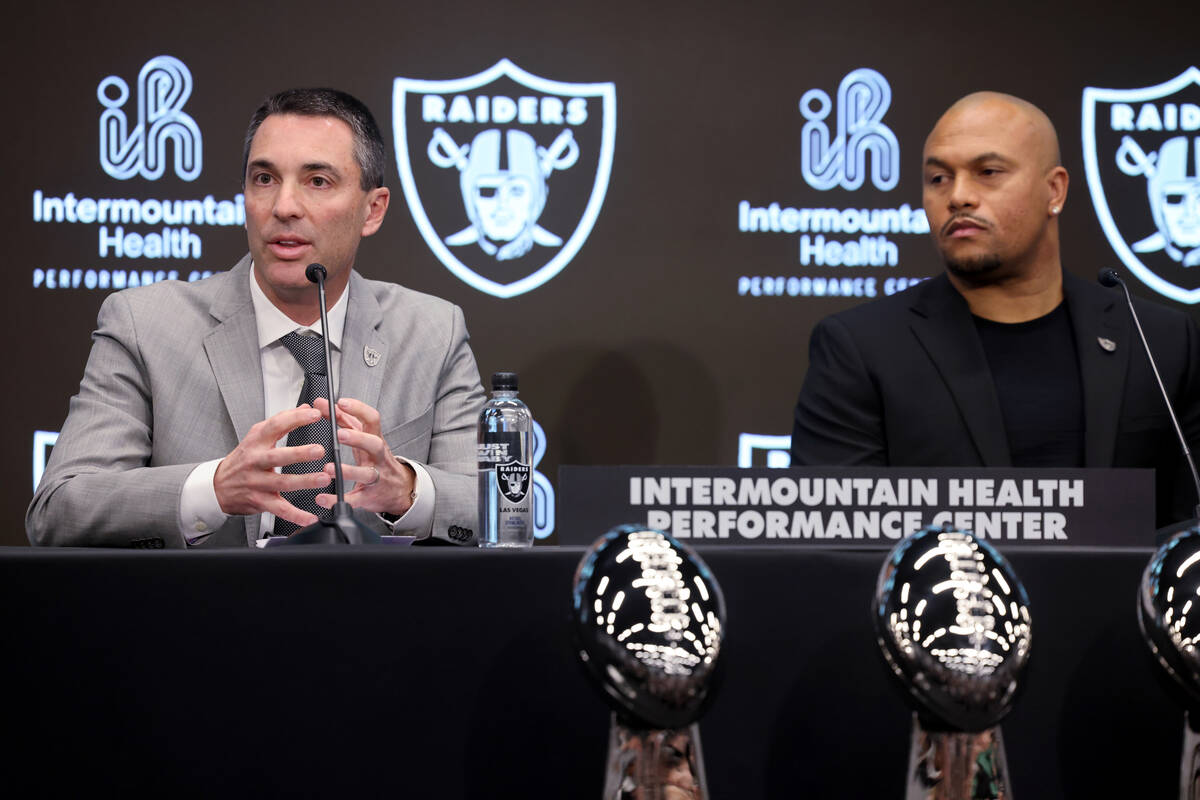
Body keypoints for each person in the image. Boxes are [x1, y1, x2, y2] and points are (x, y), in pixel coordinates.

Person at [27, 88, 486, 547]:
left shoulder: (432, 332)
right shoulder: (145, 325)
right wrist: (213, 489)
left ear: (373, 209)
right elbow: (59, 509)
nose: (283, 207)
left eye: (318, 181)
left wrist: (405, 489)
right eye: (264, 178)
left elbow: (495, 509)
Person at [791, 92, 1200, 527]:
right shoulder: (861, 349)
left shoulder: (1158, 342)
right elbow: (836, 546)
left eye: (987, 172)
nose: (958, 196)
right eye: (938, 179)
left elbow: (1187, 534)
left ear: (1054, 190)